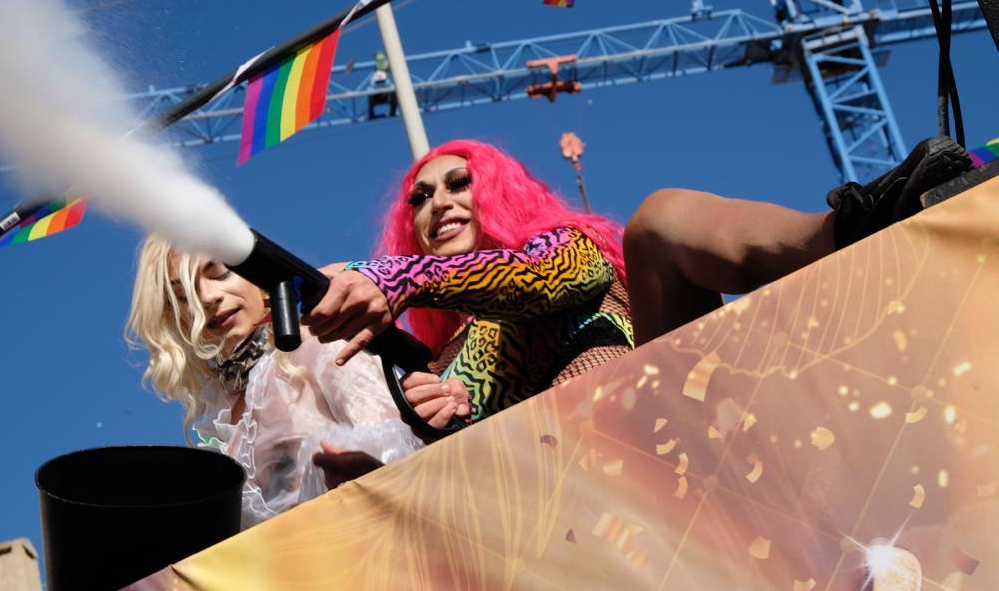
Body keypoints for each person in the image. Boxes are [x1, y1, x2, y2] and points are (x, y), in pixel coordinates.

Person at [302, 139, 634, 430]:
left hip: (638, 451)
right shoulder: (442, 356)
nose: (438, 204)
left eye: (459, 183)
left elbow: (538, 278)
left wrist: (395, 276)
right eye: (420, 198)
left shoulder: (566, 245)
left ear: (500, 193)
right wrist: (441, 415)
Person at [126, 235, 422, 528]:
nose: (207, 297)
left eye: (219, 273)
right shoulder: (220, 417)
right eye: (182, 296)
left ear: (257, 277)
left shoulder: (320, 346)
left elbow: (403, 455)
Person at [623, 135, 975, 343]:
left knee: (660, 220)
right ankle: (852, 231)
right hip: (608, 440)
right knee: (653, 228)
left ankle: (851, 228)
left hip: (666, 393)